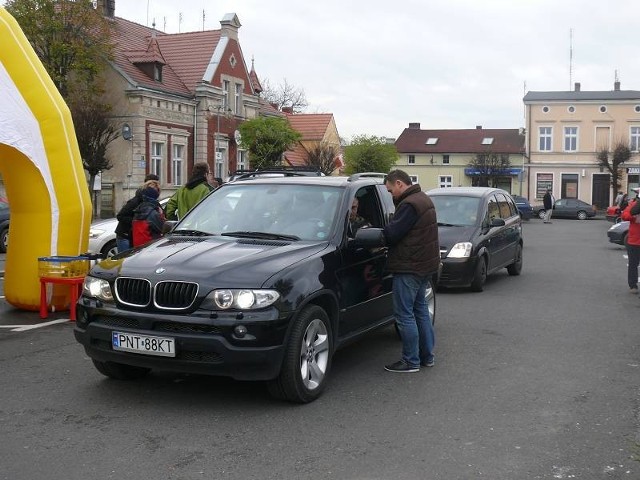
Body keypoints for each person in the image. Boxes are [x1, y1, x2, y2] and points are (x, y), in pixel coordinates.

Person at [382, 169, 440, 373]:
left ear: (399, 183)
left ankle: (410, 361)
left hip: (409, 267)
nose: (391, 195)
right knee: (420, 311)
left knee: (404, 315)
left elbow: (392, 234)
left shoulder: (409, 205)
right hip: (425, 266)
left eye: (390, 191)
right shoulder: (424, 199)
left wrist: (382, 230)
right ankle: (427, 357)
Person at [114, 174, 160, 253]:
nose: (157, 188)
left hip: (134, 236)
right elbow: (120, 216)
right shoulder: (136, 200)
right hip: (125, 236)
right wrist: (136, 221)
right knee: (125, 260)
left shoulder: (152, 202)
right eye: (153, 185)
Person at [131, 183, 165, 247]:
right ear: (156, 195)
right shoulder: (152, 212)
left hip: (138, 248)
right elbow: (163, 229)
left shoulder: (139, 209)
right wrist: (161, 215)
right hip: (151, 247)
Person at [622, 188, 640, 293]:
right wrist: (634, 216)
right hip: (634, 241)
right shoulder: (633, 204)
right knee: (633, 264)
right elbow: (624, 215)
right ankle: (633, 285)